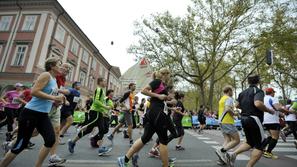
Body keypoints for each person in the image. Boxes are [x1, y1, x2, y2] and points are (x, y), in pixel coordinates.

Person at [0, 57, 65, 167]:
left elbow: (48, 97)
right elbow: (34, 92)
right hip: (31, 113)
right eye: (59, 64)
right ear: (52, 66)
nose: (61, 67)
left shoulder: (54, 80)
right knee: (20, 145)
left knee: (50, 140)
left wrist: (58, 100)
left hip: (43, 115)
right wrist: (54, 98)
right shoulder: (46, 75)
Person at [117, 68, 172, 167]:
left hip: (154, 113)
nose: (169, 77)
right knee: (163, 141)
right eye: (169, 75)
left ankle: (124, 159)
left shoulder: (162, 85)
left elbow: (156, 97)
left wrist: (165, 98)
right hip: (157, 114)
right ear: (165, 74)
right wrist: (159, 96)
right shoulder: (157, 82)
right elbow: (144, 91)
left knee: (145, 138)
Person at [225, 74, 274, 167]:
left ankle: (232, 154)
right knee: (261, 144)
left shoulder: (242, 92)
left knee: (250, 142)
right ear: (258, 81)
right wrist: (269, 110)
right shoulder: (258, 91)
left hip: (244, 119)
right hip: (254, 118)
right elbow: (258, 103)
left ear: (248, 82)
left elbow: (237, 105)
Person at [67, 77, 112, 154]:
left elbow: (100, 102)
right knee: (99, 129)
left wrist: (103, 111)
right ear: (100, 82)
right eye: (104, 81)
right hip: (95, 112)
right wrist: (105, 107)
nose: (106, 83)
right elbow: (96, 101)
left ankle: (73, 142)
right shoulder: (99, 90)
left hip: (99, 112)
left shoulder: (102, 90)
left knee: (97, 130)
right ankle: (100, 148)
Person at [215, 86, 240, 165]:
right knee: (237, 140)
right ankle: (221, 150)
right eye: (232, 91)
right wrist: (235, 113)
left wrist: (233, 116)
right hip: (227, 121)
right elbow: (227, 109)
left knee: (227, 140)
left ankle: (221, 160)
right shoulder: (229, 98)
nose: (232, 93)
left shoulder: (222, 98)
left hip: (221, 121)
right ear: (229, 91)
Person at [262, 87, 289, 159]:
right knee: (275, 137)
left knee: (270, 136)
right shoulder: (273, 98)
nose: (274, 94)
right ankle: (268, 152)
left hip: (265, 120)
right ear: (271, 93)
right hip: (273, 120)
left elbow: (272, 109)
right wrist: (286, 112)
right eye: (273, 92)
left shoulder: (263, 99)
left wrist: (280, 114)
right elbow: (278, 108)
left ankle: (261, 148)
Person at [91, 89, 114, 155]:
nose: (112, 96)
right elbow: (101, 105)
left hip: (107, 117)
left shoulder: (110, 100)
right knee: (102, 130)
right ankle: (100, 147)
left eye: (112, 95)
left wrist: (112, 108)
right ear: (108, 94)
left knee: (106, 130)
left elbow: (110, 107)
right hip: (102, 116)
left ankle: (94, 138)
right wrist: (103, 112)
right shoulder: (105, 99)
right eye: (111, 95)